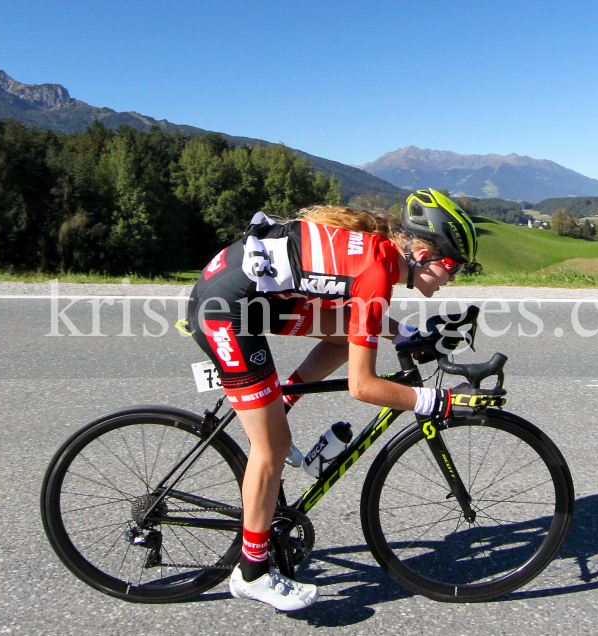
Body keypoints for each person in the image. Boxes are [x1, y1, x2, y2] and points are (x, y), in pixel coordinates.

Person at [186, 188, 480, 611]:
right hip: (226, 310)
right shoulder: (377, 272)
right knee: (272, 446)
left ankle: (279, 403)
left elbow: (359, 322)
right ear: (418, 251)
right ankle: (251, 573)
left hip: (249, 296)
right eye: (451, 265)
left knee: (345, 339)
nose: (453, 277)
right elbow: (363, 387)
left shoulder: (378, 257)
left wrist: (404, 333)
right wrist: (439, 402)